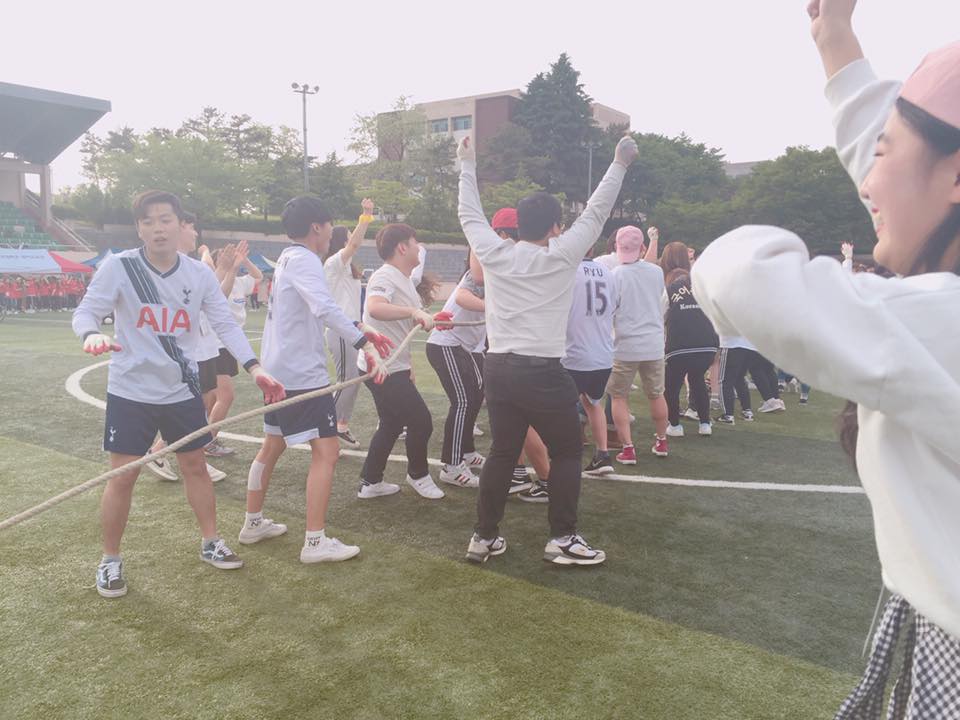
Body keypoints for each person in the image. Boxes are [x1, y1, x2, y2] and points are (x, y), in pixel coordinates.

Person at [692, 2, 960, 715]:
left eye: (883, 154)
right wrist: (835, 40)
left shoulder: (943, 321)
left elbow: (741, 276)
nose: (866, 184)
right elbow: (915, 168)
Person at [72, 190, 285, 599]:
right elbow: (86, 312)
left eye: (165, 219)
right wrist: (90, 334)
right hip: (130, 392)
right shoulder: (120, 267)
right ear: (139, 228)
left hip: (181, 391)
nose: (158, 228)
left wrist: (255, 368)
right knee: (123, 477)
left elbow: (225, 323)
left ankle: (211, 541)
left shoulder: (198, 275)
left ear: (180, 224)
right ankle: (110, 559)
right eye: (148, 221)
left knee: (195, 467)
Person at [458, 133, 638, 566]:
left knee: (503, 452)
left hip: (498, 368)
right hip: (541, 370)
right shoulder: (562, 254)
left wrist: (466, 164)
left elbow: (469, 214)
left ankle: (484, 537)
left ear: (519, 225)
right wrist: (619, 163)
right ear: (556, 227)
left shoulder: (496, 252)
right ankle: (563, 538)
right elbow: (597, 211)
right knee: (567, 451)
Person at [241, 195, 391, 563]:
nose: (331, 234)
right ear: (317, 228)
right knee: (327, 451)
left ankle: (252, 522)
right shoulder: (305, 259)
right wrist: (364, 344)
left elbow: (316, 306)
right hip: (301, 375)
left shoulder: (289, 258)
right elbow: (323, 308)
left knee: (271, 446)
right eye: (329, 227)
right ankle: (314, 542)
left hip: (278, 371)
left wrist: (359, 328)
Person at [358, 223, 451, 500]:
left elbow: (403, 323)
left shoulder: (403, 279)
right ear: (402, 248)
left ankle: (370, 482)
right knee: (421, 421)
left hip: (391, 365)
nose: (419, 248)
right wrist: (413, 311)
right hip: (382, 367)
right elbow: (375, 307)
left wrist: (430, 319)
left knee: (391, 423)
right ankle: (418, 475)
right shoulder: (385, 275)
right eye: (414, 242)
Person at [143, 213, 226, 483]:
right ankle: (160, 451)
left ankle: (166, 451)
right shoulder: (171, 268)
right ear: (179, 230)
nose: (195, 234)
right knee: (194, 405)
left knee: (207, 400)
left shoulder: (193, 268)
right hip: (190, 350)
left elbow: (214, 297)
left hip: (205, 345)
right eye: (192, 228)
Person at [607, 225, 671, 463]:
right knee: (656, 394)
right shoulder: (656, 272)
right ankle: (662, 441)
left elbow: (611, 310)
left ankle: (628, 448)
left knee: (618, 397)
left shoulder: (616, 275)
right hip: (653, 343)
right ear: (642, 247)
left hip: (625, 345)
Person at [426, 249, 487, 488]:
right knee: (462, 401)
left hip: (465, 347)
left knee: (476, 397)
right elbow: (461, 297)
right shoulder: (479, 275)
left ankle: (467, 451)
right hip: (446, 343)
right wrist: (491, 306)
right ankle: (451, 467)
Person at [202, 240, 263, 457]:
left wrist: (244, 261)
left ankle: (205, 439)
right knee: (225, 396)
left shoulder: (240, 282)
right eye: (226, 258)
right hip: (216, 345)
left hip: (230, 346)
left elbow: (258, 276)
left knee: (211, 398)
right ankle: (206, 441)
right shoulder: (215, 281)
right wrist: (209, 253)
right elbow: (219, 294)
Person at [323, 199, 375, 448]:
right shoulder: (333, 263)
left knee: (354, 380)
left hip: (352, 329)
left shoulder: (346, 267)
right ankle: (327, 430)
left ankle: (340, 426)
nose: (350, 241)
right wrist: (365, 216)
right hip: (341, 330)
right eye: (347, 237)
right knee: (347, 379)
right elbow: (354, 244)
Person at [562, 249, 619, 476]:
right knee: (593, 404)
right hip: (602, 353)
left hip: (573, 353)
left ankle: (566, 457)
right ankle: (602, 454)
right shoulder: (607, 271)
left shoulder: (567, 271)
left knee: (561, 408)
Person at [660, 242, 717, 436]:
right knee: (697, 380)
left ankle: (675, 425)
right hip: (706, 345)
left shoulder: (669, 288)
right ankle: (705, 424)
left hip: (679, 346)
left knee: (671, 386)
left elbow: (660, 315)